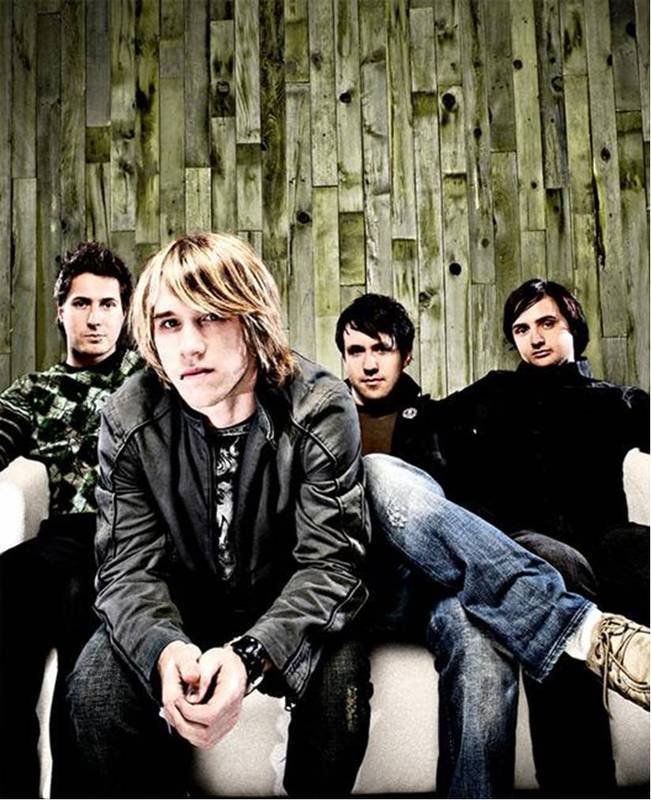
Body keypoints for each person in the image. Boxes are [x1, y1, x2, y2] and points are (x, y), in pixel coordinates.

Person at [63, 233, 371, 799]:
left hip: (285, 598)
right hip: (182, 605)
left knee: (340, 683)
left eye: (210, 317)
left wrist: (252, 656)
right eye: (169, 323)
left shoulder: (319, 405)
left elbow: (331, 564)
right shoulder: (128, 417)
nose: (189, 345)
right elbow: (126, 570)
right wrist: (166, 651)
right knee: (95, 690)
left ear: (251, 320)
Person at [335, 291, 650, 797]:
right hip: (367, 580)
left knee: (480, 636)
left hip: (437, 582)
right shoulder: (322, 424)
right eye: (357, 351)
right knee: (380, 472)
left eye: (383, 349)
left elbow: (458, 506)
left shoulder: (433, 422)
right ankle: (583, 630)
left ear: (406, 355)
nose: (370, 364)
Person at [0, 241, 142, 799]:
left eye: (108, 305)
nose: (95, 318)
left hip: (130, 538)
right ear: (61, 311)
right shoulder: (35, 391)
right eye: (82, 304)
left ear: (125, 313)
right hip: (65, 535)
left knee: (84, 614)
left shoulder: (151, 380)